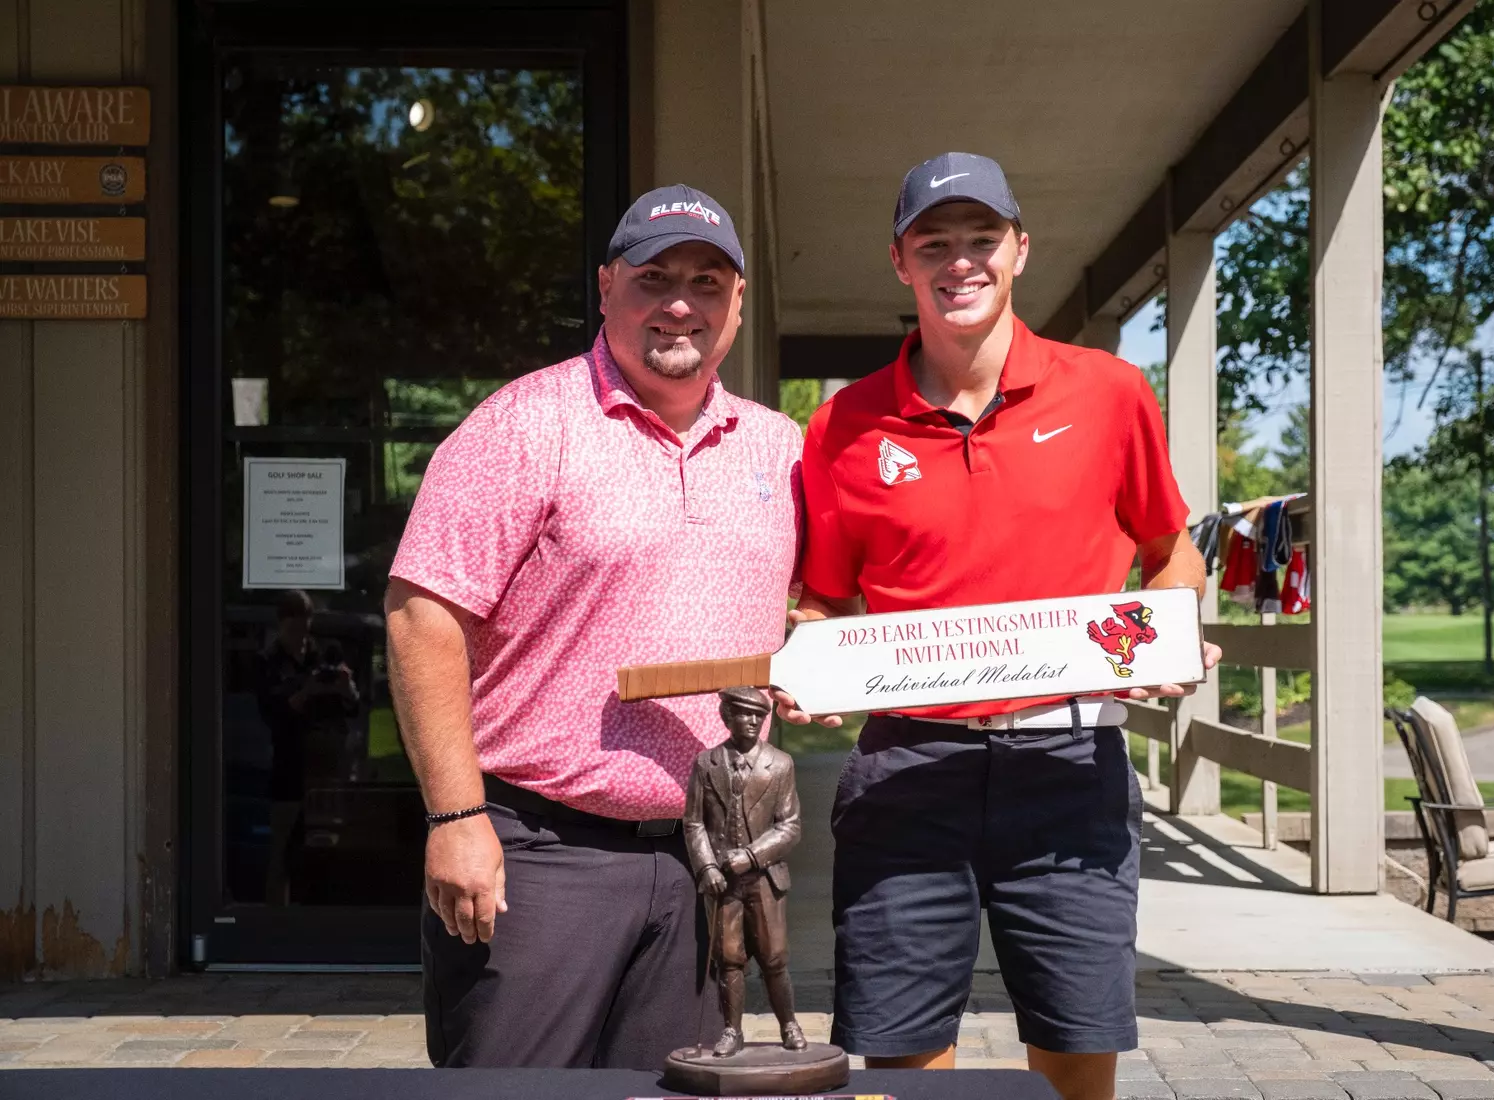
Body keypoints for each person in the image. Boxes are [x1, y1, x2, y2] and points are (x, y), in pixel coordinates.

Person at [778, 152, 1222, 1100]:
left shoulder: (1108, 392)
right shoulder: (842, 427)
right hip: (907, 770)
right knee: (903, 1074)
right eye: (933, 242)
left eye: (983, 238)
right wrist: (808, 665)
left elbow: (1170, 550)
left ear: (1021, 249)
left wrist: (1167, 632)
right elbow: (821, 600)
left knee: (1074, 1067)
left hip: (1069, 770)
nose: (960, 261)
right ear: (900, 260)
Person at [385, 184, 804, 1069]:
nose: (680, 302)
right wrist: (455, 815)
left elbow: (805, 608)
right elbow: (424, 617)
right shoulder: (525, 425)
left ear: (737, 306)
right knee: (508, 1095)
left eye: (706, 280)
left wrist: (818, 657)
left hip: (705, 862)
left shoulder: (781, 449)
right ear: (607, 288)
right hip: (539, 857)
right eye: (654, 279)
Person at [683, 686, 805, 1058]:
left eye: (759, 716)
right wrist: (706, 867)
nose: (752, 722)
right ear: (726, 717)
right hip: (723, 882)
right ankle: (731, 1030)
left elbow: (790, 826)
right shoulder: (707, 764)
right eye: (744, 714)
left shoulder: (780, 764)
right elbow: (693, 823)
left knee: (773, 956)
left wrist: (752, 856)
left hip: (764, 878)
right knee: (729, 956)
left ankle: (789, 1023)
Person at [255, 588, 360, 905]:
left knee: (326, 848)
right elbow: (272, 713)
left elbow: (354, 708)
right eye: (294, 622)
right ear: (281, 622)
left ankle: (321, 915)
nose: (301, 629)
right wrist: (307, 691)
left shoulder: (324, 656)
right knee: (282, 850)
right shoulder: (269, 662)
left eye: (305, 621)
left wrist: (346, 687)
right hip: (289, 766)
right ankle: (276, 918)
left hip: (326, 768)